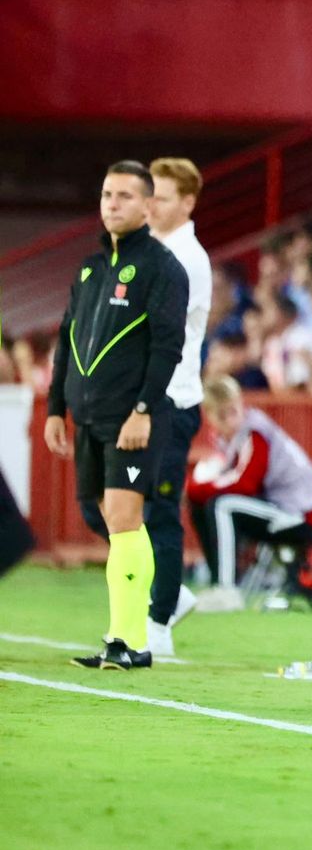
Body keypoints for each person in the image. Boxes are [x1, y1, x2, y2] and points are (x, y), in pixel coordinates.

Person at [44, 161, 189, 670]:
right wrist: (55, 408)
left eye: (125, 196)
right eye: (107, 194)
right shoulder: (89, 268)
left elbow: (168, 346)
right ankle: (124, 638)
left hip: (133, 418)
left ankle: (131, 642)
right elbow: (66, 340)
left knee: (125, 522)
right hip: (87, 417)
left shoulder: (163, 268)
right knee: (103, 517)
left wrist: (144, 409)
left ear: (148, 206)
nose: (113, 203)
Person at [144, 157, 212, 656]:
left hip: (171, 399)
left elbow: (156, 331)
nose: (150, 205)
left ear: (187, 202)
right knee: (102, 505)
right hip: (141, 400)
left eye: (160, 197)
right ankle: (175, 593)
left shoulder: (186, 258)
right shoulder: (152, 250)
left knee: (159, 510)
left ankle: (159, 621)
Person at [186, 377, 312, 610]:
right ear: (210, 416)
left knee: (221, 505)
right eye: (222, 415)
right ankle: (218, 583)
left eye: (233, 410)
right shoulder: (232, 438)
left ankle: (227, 589)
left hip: (302, 513)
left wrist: (196, 488)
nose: (231, 419)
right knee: (206, 505)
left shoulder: (254, 433)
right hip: (283, 508)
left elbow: (245, 484)